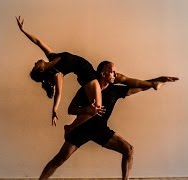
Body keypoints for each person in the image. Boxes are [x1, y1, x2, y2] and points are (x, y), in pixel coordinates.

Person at [39, 61, 179, 180]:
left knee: (128, 150)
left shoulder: (114, 91)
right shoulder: (86, 89)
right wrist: (87, 110)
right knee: (59, 159)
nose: (115, 75)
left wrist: (158, 80)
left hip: (101, 130)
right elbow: (71, 109)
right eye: (112, 72)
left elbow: (139, 87)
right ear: (103, 74)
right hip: (82, 129)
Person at [16, 16, 158, 127]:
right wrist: (54, 110)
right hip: (89, 78)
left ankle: (151, 84)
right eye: (35, 65)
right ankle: (71, 127)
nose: (35, 62)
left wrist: (23, 31)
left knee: (120, 78)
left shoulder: (51, 57)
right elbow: (59, 93)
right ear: (40, 69)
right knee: (97, 109)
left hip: (91, 73)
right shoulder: (56, 73)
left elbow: (38, 41)